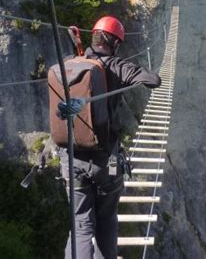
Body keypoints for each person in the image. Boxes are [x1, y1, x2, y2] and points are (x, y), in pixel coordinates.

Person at [58, 16, 161, 259]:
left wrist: (78, 49)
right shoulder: (116, 65)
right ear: (114, 43)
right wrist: (128, 72)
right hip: (106, 162)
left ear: (94, 37)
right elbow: (152, 80)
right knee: (106, 219)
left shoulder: (72, 62)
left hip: (71, 160)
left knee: (80, 225)